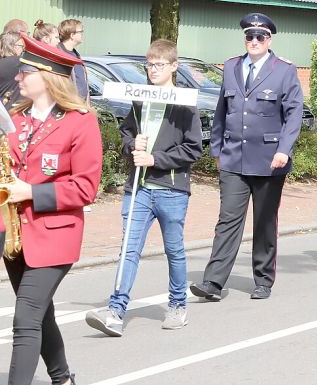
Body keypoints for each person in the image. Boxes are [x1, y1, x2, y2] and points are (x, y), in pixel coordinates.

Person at [2, 33, 102, 385]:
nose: (17, 78)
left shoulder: (80, 121)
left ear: (46, 77)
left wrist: (31, 191)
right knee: (41, 313)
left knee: (25, 317)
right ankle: (61, 378)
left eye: (23, 72)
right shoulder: (17, 119)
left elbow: (85, 188)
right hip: (15, 235)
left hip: (55, 236)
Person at [86, 39, 203, 336]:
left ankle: (178, 306)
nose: (153, 69)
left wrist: (156, 158)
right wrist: (131, 145)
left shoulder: (185, 104)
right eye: (149, 64)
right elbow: (126, 132)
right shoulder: (141, 98)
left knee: (174, 250)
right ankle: (116, 310)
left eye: (159, 64)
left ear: (173, 67)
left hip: (171, 190)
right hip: (138, 188)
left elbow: (193, 149)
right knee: (129, 249)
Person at [190, 13, 304, 302]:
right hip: (233, 157)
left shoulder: (284, 70)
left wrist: (284, 149)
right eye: (249, 36)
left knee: (264, 222)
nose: (254, 41)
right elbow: (221, 111)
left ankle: (263, 279)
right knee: (227, 220)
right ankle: (213, 282)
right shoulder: (231, 67)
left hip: (269, 159)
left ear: (269, 40)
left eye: (260, 37)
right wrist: (216, 149)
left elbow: (293, 116)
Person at [54, 19, 88, 101]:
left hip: (80, 105)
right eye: (81, 32)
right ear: (72, 35)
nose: (82, 34)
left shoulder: (76, 54)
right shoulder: (58, 55)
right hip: (67, 104)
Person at [1, 31, 26, 108]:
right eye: (22, 46)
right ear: (15, 46)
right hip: (16, 109)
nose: (23, 49)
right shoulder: (23, 62)